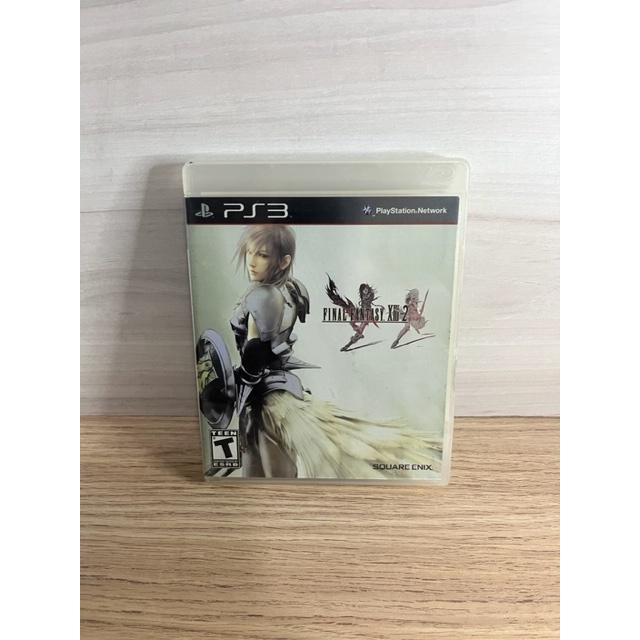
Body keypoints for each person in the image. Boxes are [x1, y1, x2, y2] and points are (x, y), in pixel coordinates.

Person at [211, 225, 442, 479]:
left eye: (262, 255)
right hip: (273, 393)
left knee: (271, 474)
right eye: (250, 252)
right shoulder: (291, 289)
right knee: (263, 472)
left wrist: (234, 383)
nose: (252, 262)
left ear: (284, 261)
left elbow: (255, 353)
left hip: (266, 400)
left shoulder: (263, 295)